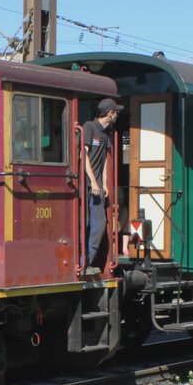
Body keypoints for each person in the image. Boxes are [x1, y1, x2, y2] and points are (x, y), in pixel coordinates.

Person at [82, 98, 122, 276]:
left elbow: (105, 161)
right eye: (116, 112)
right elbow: (83, 156)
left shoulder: (106, 134)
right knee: (89, 223)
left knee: (98, 225)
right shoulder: (89, 127)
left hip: (98, 187)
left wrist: (104, 183)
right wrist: (92, 181)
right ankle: (84, 264)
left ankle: (87, 262)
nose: (118, 115)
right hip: (87, 186)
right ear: (110, 113)